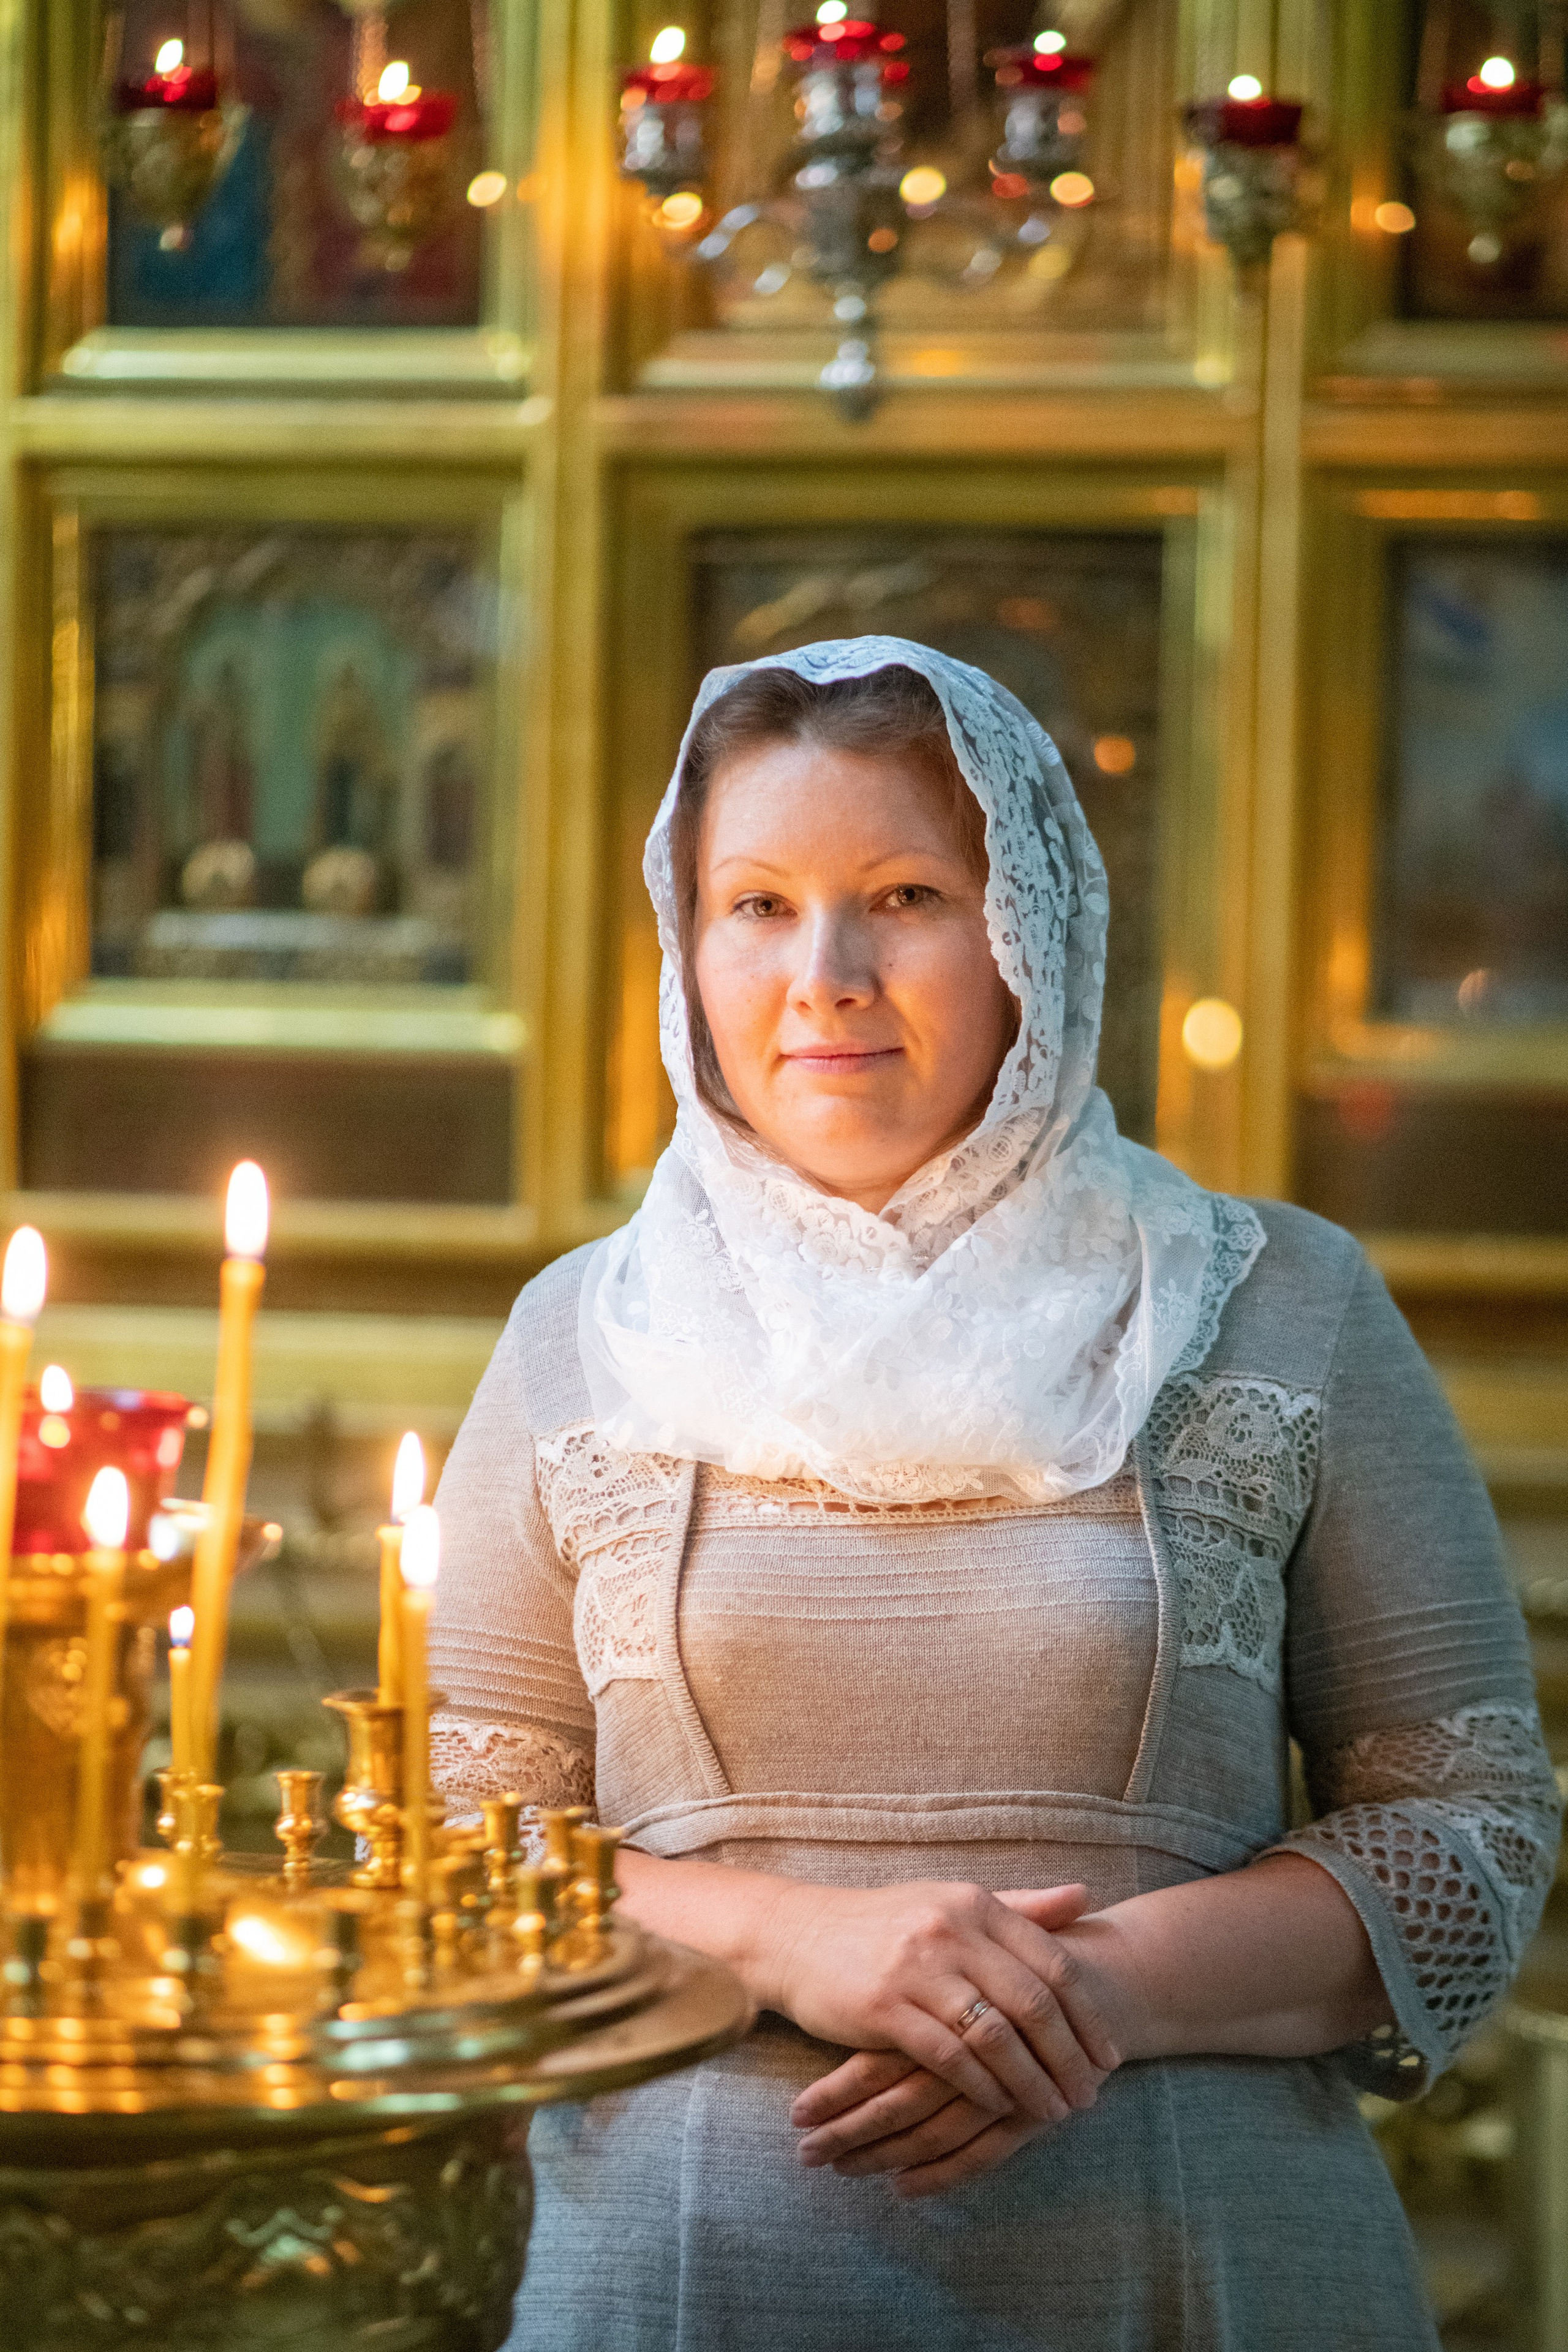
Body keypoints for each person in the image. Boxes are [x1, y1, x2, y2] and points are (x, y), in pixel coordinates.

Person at [429, 638, 1560, 2352]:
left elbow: (1469, 1824)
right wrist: (786, 1944)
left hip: (1202, 2272)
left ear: (1028, 923)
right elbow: (455, 1847)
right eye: (757, 905)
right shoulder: (578, 1336)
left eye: (904, 895)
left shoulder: (1282, 1302)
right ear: (684, 943)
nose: (827, 975)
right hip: (678, 2287)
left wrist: (1087, 1997)